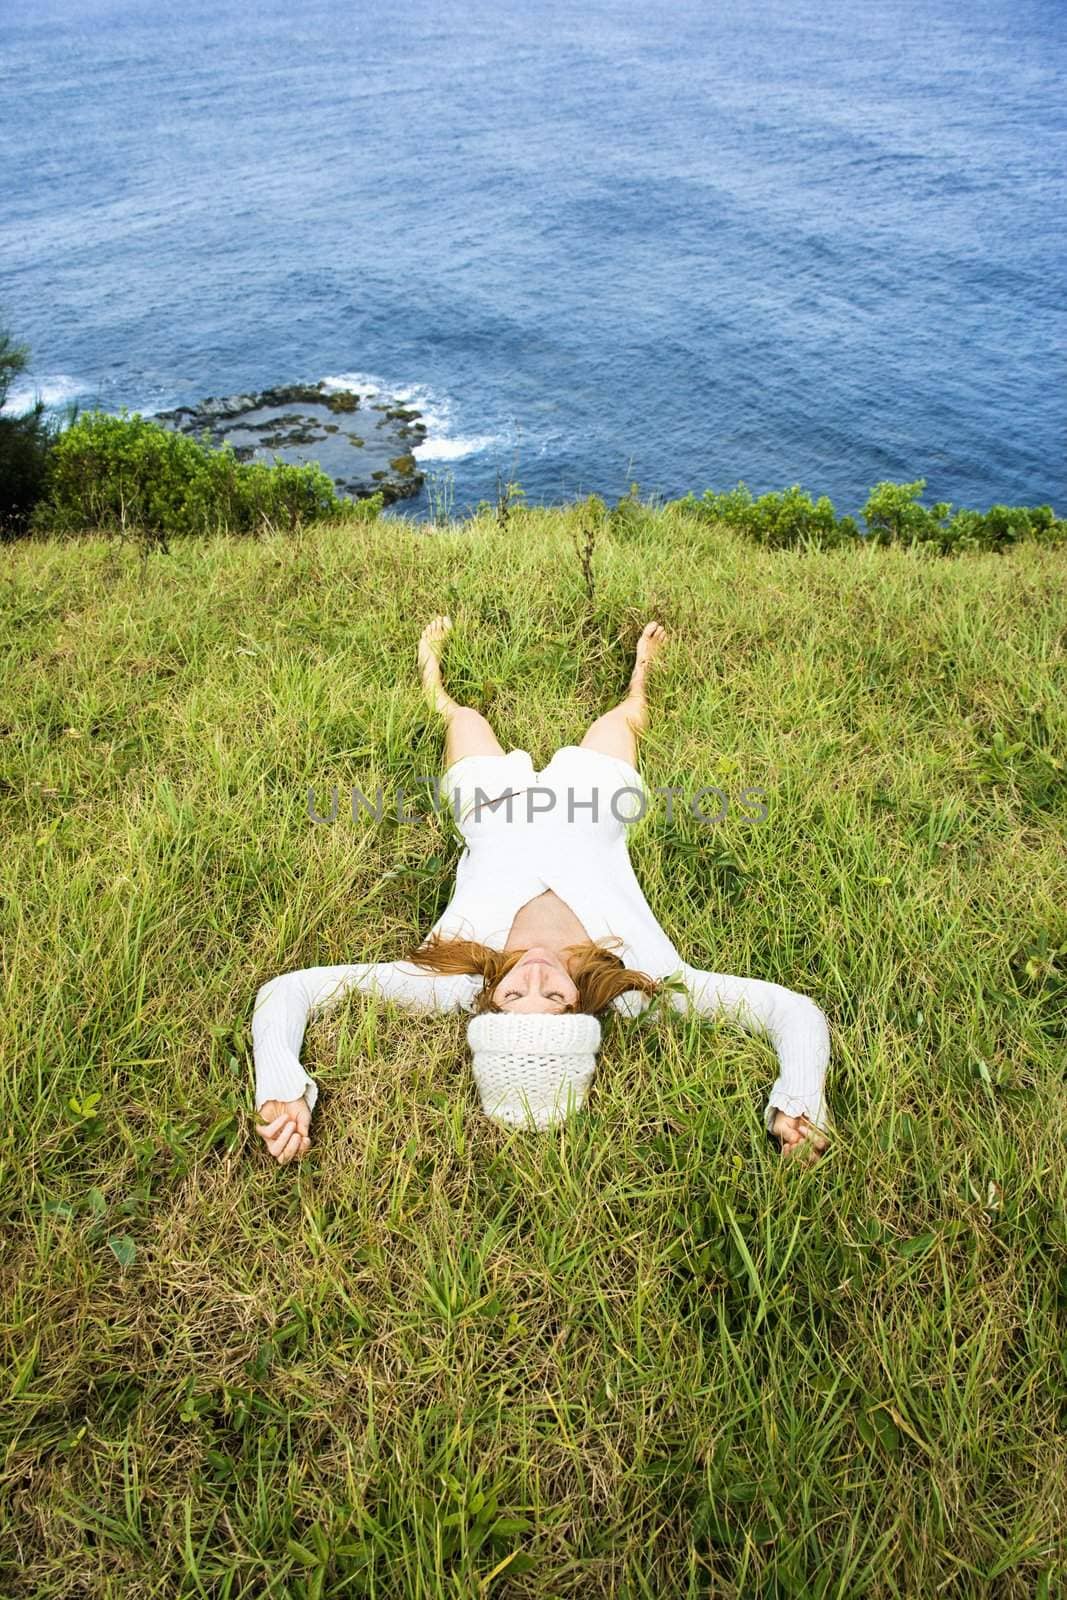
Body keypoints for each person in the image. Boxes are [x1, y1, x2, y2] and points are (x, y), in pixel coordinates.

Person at [253, 618, 831, 1166]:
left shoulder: (451, 983)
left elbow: (289, 990)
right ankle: (641, 670)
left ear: (488, 1007)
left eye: (511, 998)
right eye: (552, 998)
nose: (531, 976)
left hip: (491, 804)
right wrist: (800, 1099)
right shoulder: (644, 984)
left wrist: (281, 1085)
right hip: (595, 800)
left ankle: (431, 671)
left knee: (462, 717)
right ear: (581, 1008)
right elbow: (793, 1012)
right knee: (626, 716)